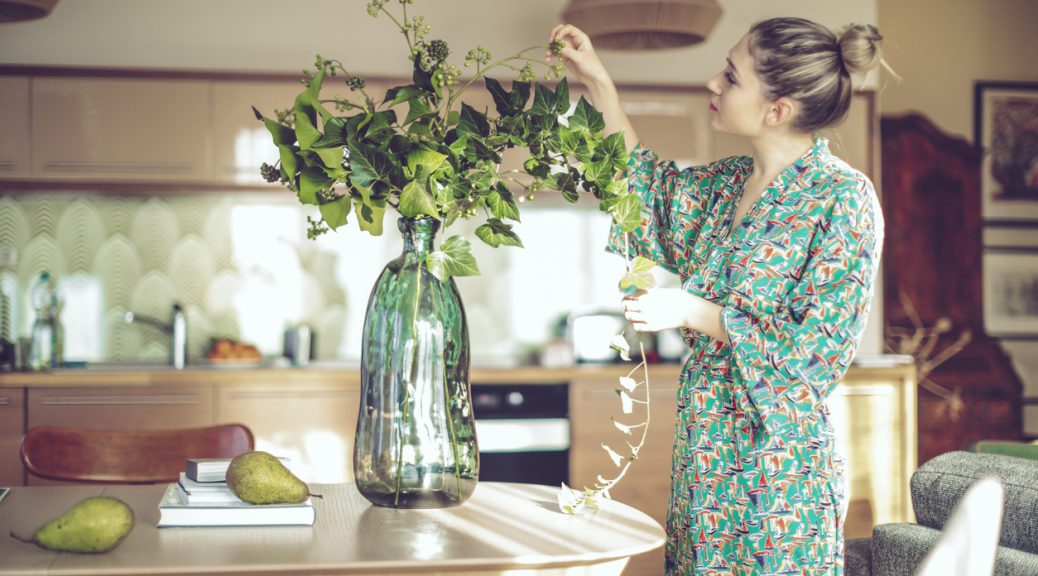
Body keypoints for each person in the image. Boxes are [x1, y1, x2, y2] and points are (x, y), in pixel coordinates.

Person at [550, 17, 888, 575]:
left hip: (778, 476)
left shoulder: (843, 200)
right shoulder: (725, 184)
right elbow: (646, 189)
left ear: (776, 108)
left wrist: (689, 309)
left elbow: (813, 358)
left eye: (730, 77)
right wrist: (598, 82)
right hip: (702, 460)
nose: (712, 83)